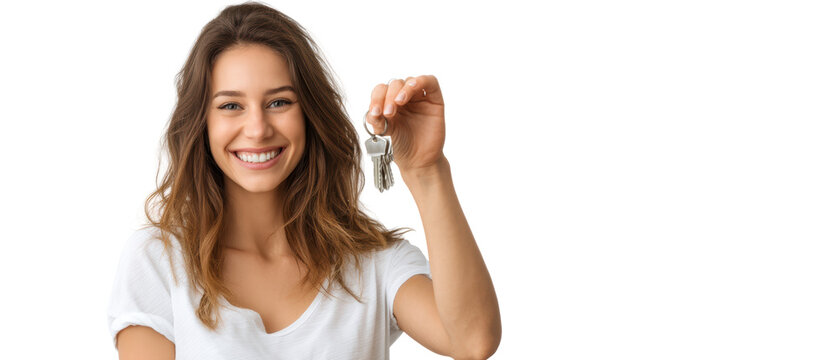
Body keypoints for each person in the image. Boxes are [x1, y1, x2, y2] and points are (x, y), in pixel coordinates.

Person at [106, 2, 501, 359]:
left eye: (279, 102)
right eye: (231, 106)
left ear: (310, 113)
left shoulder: (375, 263)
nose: (257, 129)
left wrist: (426, 170)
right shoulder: (159, 262)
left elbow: (472, 341)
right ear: (201, 124)